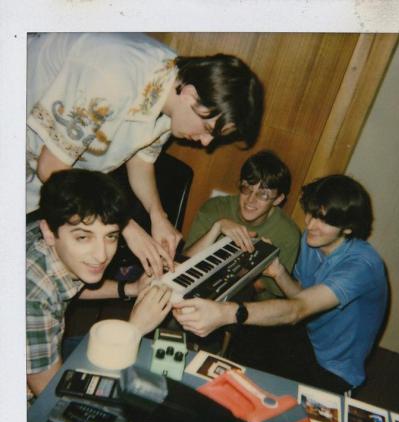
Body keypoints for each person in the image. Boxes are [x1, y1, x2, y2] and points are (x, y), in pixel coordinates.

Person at [26, 32, 264, 276]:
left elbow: (141, 160)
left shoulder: (173, 90)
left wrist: (157, 216)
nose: (206, 142)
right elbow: (51, 168)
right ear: (190, 95)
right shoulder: (112, 77)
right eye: (207, 129)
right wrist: (124, 225)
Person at [174, 175, 388, 394]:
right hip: (306, 339)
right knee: (245, 344)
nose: (311, 224)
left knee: (267, 399)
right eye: (312, 213)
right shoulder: (312, 241)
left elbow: (298, 309)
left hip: (333, 369)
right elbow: (301, 295)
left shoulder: (362, 266)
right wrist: (277, 270)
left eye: (324, 220)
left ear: (348, 227)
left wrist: (227, 313)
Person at [26, 169, 172, 398]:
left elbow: (66, 286)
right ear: (49, 231)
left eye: (111, 236)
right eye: (83, 237)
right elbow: (52, 397)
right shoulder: (32, 300)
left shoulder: (43, 240)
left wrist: (131, 288)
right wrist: (133, 330)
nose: (101, 255)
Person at [184, 150, 300, 300]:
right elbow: (184, 263)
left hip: (251, 305)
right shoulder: (214, 208)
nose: (251, 200)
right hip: (198, 289)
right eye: (246, 189)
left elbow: (262, 287)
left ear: (277, 200)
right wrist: (217, 227)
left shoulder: (288, 233)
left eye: (263, 194)